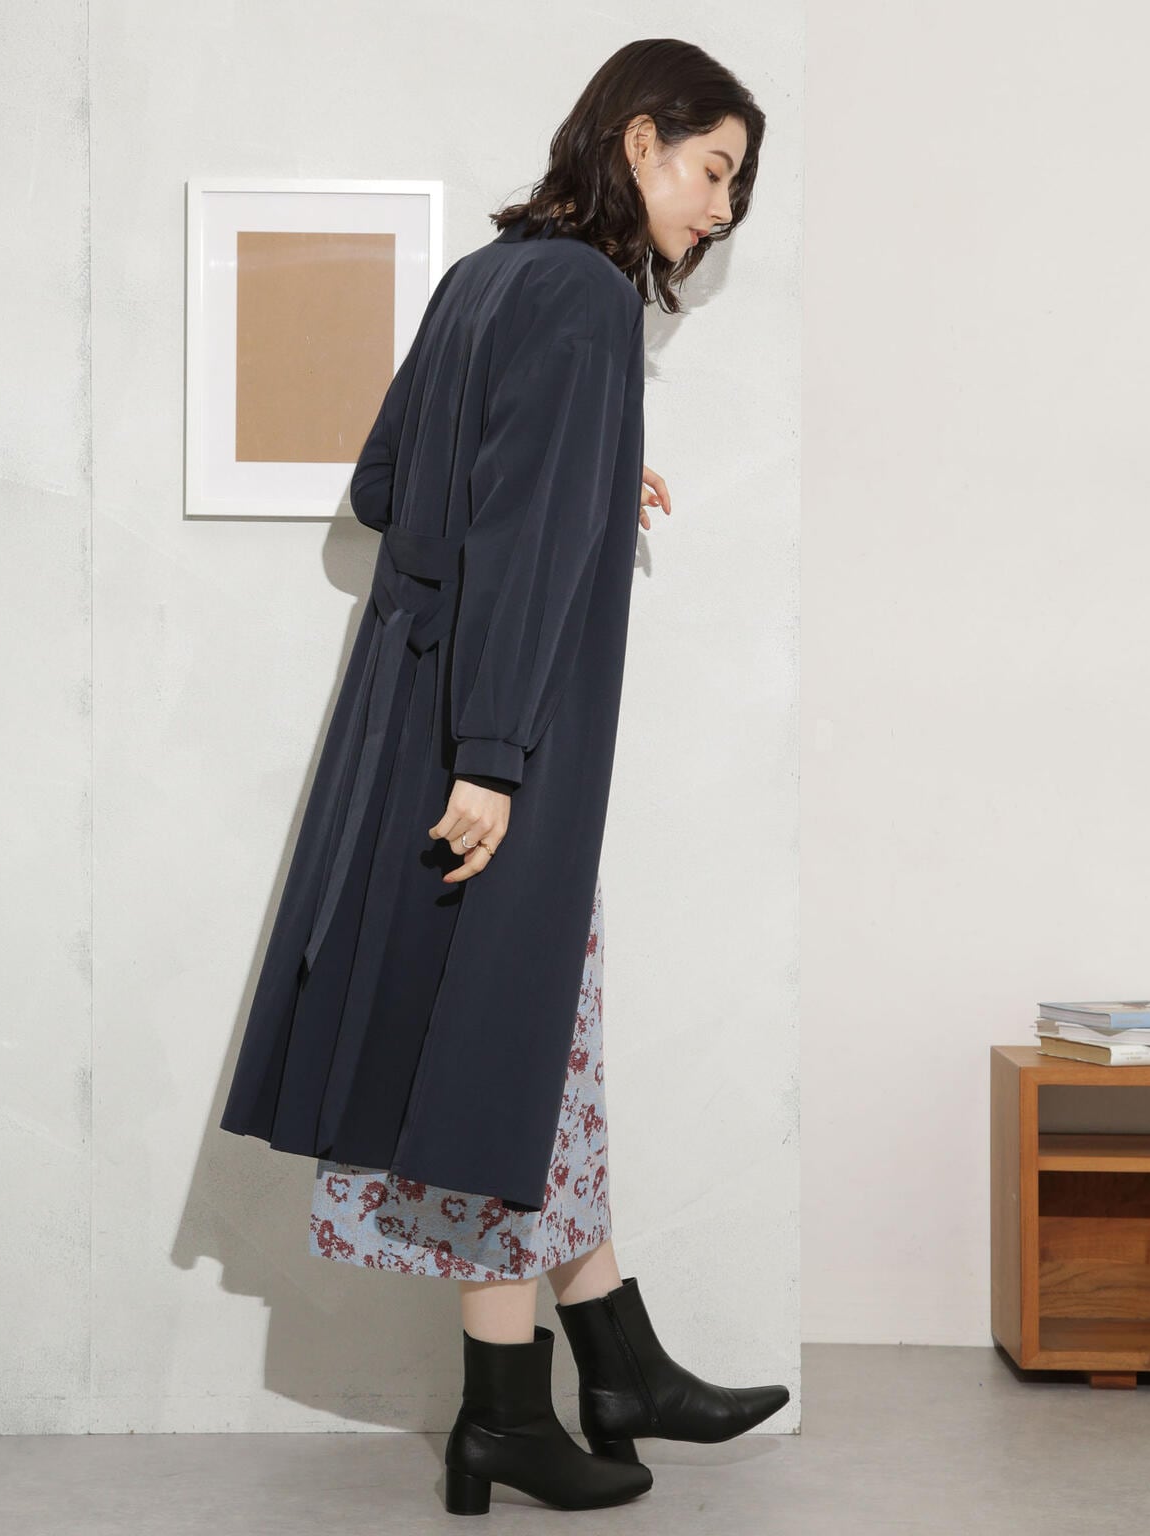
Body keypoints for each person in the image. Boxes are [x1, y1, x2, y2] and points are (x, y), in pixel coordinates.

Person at [220, 36, 790, 1515]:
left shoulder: (483, 278)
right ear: (642, 137)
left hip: (403, 716)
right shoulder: (590, 297)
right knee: (511, 1060)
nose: (722, 209)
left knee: (533, 1059)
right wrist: (491, 762)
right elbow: (522, 551)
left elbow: (384, 488)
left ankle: (589, 1373)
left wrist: (593, 467)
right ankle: (535, 1401)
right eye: (714, 169)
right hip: (494, 742)